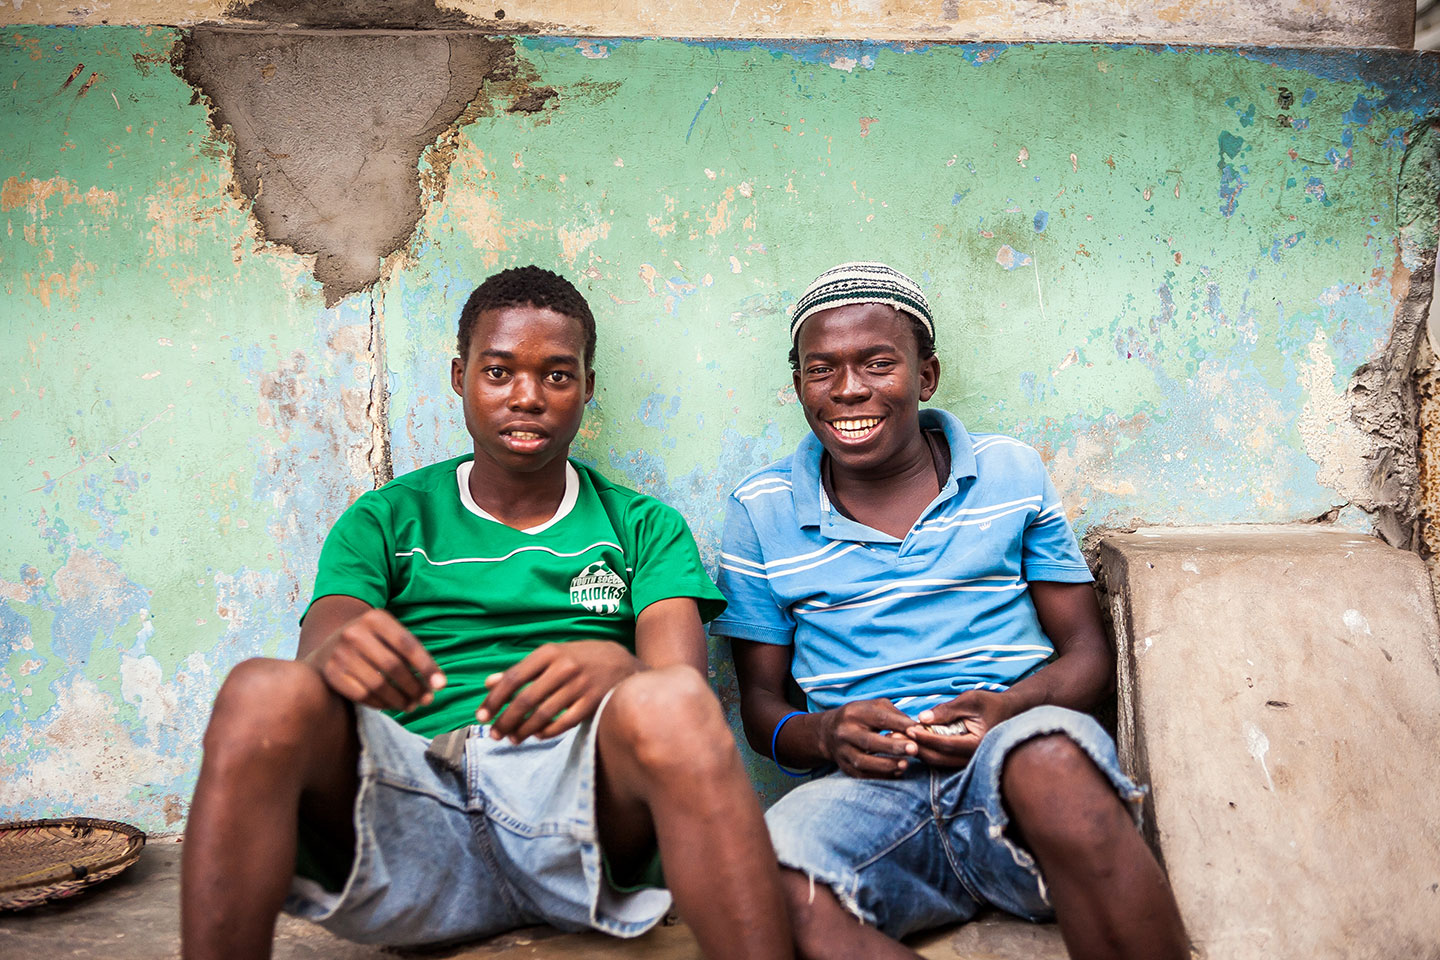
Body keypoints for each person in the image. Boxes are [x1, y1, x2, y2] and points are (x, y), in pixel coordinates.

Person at [181, 266, 792, 960]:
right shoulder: (387, 519)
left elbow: (681, 690)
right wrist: (342, 657)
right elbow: (321, 658)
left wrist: (622, 672)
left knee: (671, 701)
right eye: (498, 372)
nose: (527, 397)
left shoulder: (642, 526)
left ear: (587, 387)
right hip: (406, 804)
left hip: (578, 818)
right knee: (261, 692)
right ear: (459, 377)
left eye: (557, 376)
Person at [713, 262, 1188, 960]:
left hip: (1015, 758)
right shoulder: (762, 510)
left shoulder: (1009, 472)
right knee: (764, 893)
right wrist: (828, 734)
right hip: (865, 793)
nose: (848, 389)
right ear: (799, 386)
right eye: (821, 370)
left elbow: (1088, 656)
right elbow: (761, 709)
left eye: (878, 364)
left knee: (1053, 762)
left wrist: (1010, 708)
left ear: (926, 375)